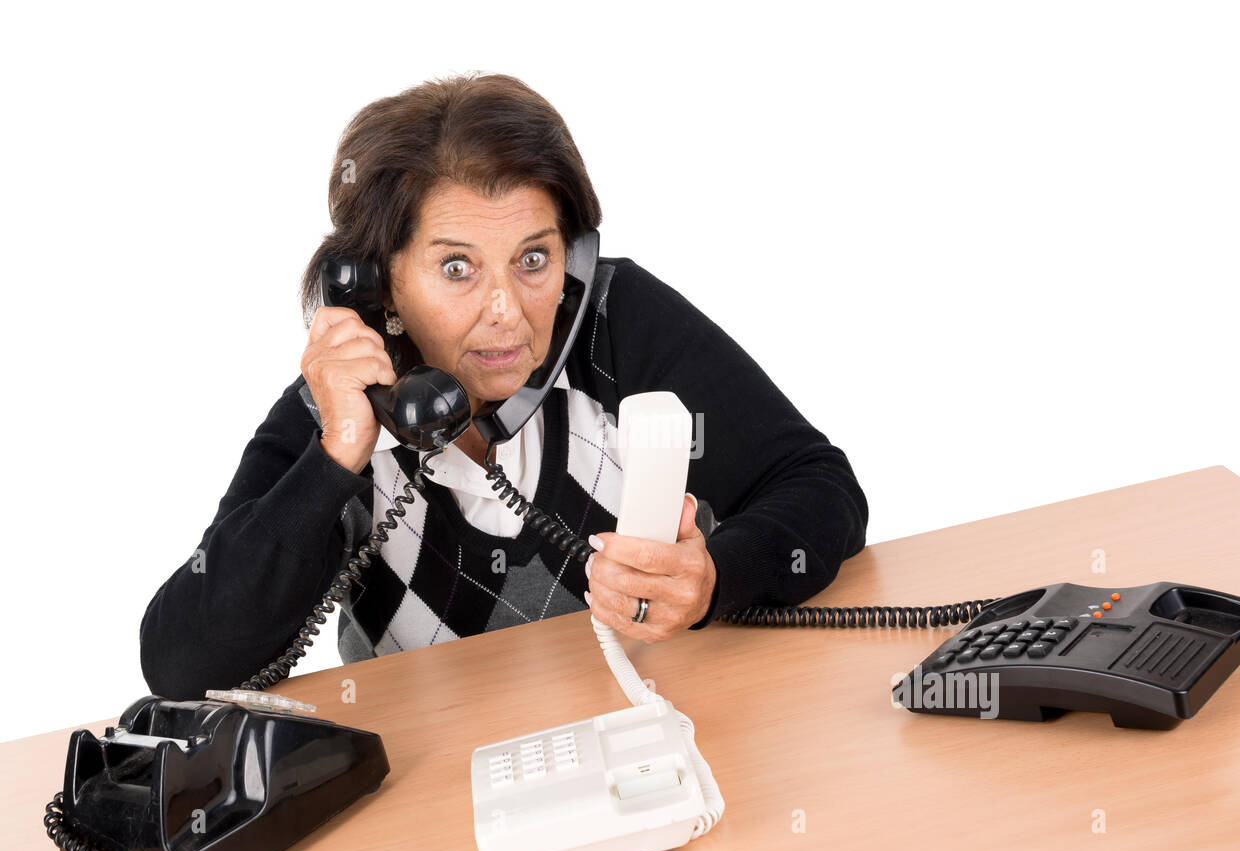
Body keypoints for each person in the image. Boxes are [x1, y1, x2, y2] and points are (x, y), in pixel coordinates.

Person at [140, 73, 869, 701]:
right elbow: (180, 662)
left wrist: (716, 576)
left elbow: (820, 486)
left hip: (649, 735)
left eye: (533, 258)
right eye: (457, 267)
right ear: (377, 282)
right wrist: (335, 459)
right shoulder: (334, 415)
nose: (507, 311)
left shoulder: (614, 322)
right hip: (440, 794)